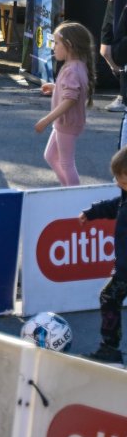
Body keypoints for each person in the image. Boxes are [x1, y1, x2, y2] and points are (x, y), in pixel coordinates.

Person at [81, 148, 127, 364]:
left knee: (109, 297)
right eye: (118, 181)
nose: (120, 185)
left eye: (124, 182)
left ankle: (110, 348)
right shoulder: (124, 198)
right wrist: (92, 212)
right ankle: (110, 348)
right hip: (124, 269)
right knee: (109, 297)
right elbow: (114, 207)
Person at [36, 21, 94, 187]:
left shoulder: (72, 70)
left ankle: (72, 193)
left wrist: (46, 120)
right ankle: (67, 189)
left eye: (56, 43)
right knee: (50, 156)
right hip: (64, 123)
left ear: (68, 45)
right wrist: (55, 88)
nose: (54, 47)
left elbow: (70, 99)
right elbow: (71, 91)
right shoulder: (75, 66)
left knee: (66, 163)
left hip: (66, 123)